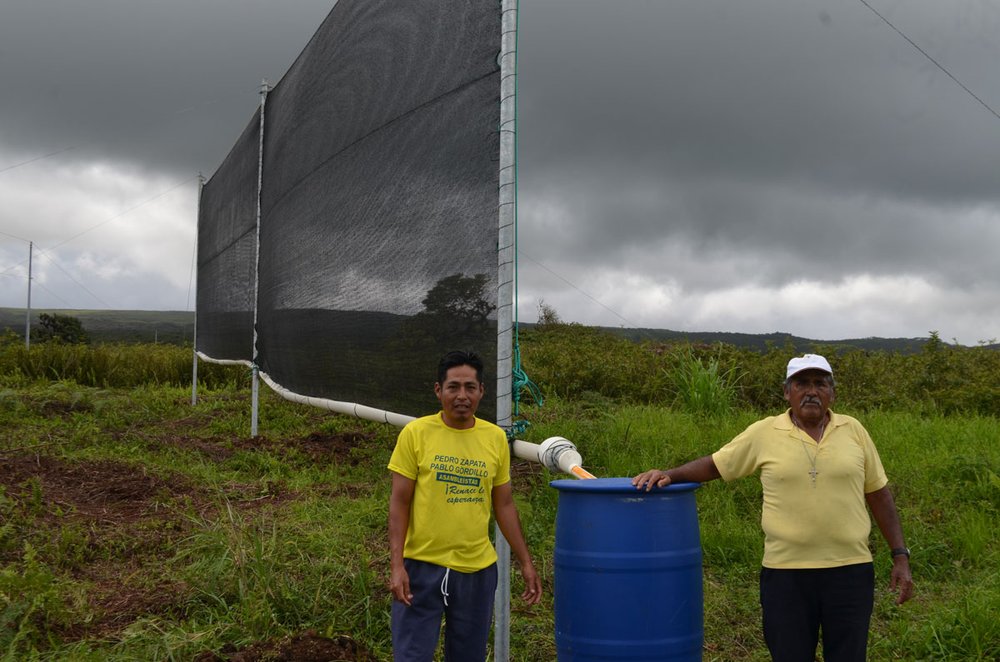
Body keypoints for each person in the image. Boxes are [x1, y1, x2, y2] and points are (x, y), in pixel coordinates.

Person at [633, 353, 913, 662]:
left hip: (850, 572)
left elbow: (878, 493)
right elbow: (715, 465)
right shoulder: (764, 432)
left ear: (832, 393)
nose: (811, 391)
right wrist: (670, 474)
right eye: (801, 383)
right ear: (786, 392)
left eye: (820, 384)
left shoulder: (854, 431)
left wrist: (900, 555)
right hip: (786, 575)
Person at [388, 350, 541, 661]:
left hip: (476, 571)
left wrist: (525, 562)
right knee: (412, 655)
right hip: (421, 567)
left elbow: (505, 505)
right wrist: (397, 565)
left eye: (470, 387)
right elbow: (399, 503)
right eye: (453, 387)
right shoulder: (416, 434)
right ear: (438, 390)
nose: (462, 395)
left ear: (482, 391)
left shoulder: (495, 438)